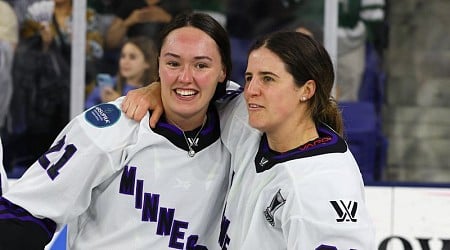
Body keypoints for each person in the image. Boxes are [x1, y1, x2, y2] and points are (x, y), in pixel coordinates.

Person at [0, 12, 234, 249]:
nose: (185, 77)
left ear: (223, 71)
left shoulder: (239, 127)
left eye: (201, 65)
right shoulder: (111, 128)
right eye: (173, 63)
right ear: (158, 66)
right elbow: (27, 213)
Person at [121, 31, 376, 249]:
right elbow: (203, 90)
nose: (252, 90)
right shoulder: (249, 121)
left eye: (268, 79)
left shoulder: (322, 185)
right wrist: (157, 89)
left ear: (306, 90)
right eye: (249, 77)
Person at [85, 36, 158, 109]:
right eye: (123, 56)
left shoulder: (154, 91)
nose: (125, 62)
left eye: (132, 57)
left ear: (147, 62)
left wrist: (118, 102)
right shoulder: (108, 84)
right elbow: (87, 108)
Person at [105, 0, 191, 50]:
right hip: (137, 55)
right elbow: (111, 42)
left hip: (168, 55)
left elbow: (191, 40)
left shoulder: (179, 4)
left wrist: (169, 19)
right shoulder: (129, 3)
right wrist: (129, 21)